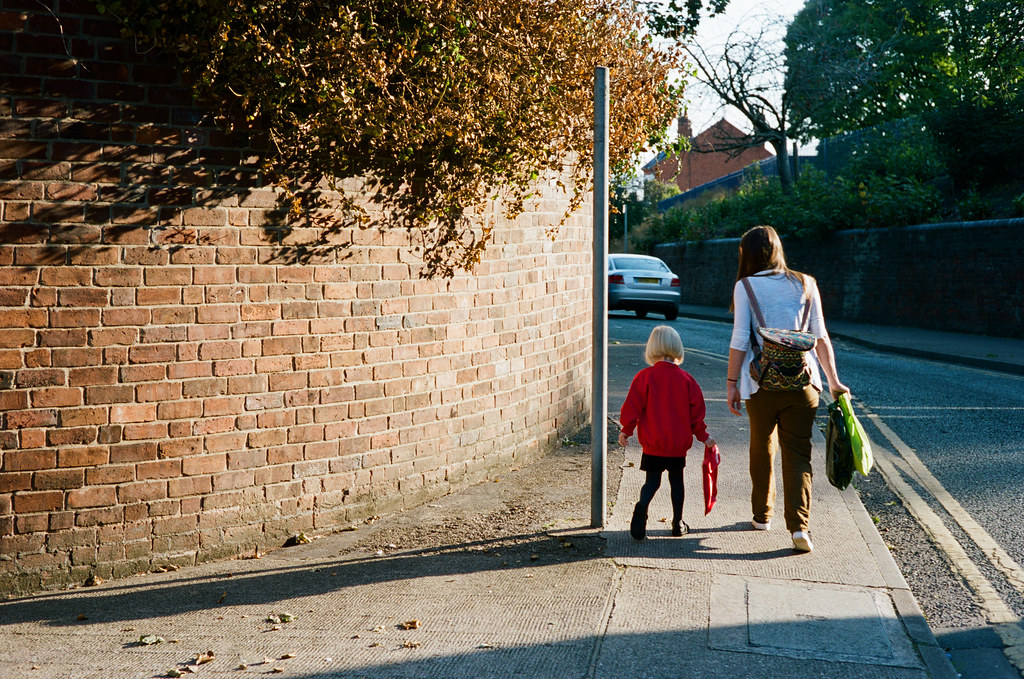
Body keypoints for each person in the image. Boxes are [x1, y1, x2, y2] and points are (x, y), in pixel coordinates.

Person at [725, 225, 849, 553]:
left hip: (760, 384)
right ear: (778, 250)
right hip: (804, 383)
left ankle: (761, 516)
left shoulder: (745, 286)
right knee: (797, 454)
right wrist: (834, 382)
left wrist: (731, 384)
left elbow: (739, 339)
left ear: (747, 254)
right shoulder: (807, 283)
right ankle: (799, 528)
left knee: (762, 446)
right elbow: (820, 337)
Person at [619, 325, 716, 540]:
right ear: (677, 348)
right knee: (677, 483)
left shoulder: (644, 377)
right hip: (676, 446)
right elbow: (696, 416)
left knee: (652, 482)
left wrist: (626, 430)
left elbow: (632, 407)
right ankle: (677, 523)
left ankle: (642, 506)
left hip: (653, 444)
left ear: (652, 348)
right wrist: (705, 438)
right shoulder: (687, 380)